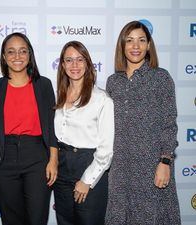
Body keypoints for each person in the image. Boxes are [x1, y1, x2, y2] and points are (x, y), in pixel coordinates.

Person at [105, 21, 181, 225]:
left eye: (141, 40)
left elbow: (169, 123)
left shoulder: (161, 78)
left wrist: (165, 161)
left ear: (149, 45)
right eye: (129, 41)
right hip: (120, 168)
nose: (135, 46)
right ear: (122, 46)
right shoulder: (113, 82)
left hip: (151, 166)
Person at [0, 32, 58, 225]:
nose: (17, 57)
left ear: (29, 55)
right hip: (4, 160)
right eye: (11, 52)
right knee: (11, 219)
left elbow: (52, 126)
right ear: (3, 56)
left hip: (37, 158)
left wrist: (53, 160)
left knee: (37, 218)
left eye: (22, 51)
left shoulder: (43, 85)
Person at [53, 40, 114, 225]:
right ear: (62, 65)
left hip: (88, 165)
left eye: (80, 59)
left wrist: (87, 180)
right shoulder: (60, 95)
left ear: (88, 64)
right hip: (62, 170)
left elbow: (106, 149)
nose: (75, 65)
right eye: (69, 60)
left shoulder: (102, 100)